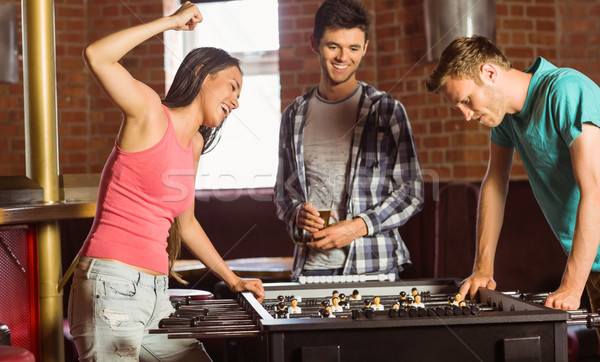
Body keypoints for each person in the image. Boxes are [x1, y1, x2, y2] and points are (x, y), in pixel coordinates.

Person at [67, 3, 265, 360]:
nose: (236, 102)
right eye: (233, 87)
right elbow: (97, 55)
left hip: (156, 292)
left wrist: (233, 279)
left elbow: (186, 225)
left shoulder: (193, 145)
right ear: (203, 73)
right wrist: (171, 23)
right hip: (111, 285)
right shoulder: (148, 111)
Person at [425, 35, 600, 313]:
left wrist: (571, 285)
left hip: (584, 270)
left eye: (467, 100)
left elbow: (594, 190)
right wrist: (482, 269)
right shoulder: (505, 119)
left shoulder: (566, 89)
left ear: (490, 72)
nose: (466, 115)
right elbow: (494, 184)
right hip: (593, 266)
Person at [274, 0, 423, 280]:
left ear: (365, 48)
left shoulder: (388, 111)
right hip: (311, 270)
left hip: (374, 268)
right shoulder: (293, 115)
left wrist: (357, 227)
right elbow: (283, 192)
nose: (344, 57)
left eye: (353, 48)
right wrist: (296, 213)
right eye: (333, 46)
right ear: (314, 43)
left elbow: (411, 192)